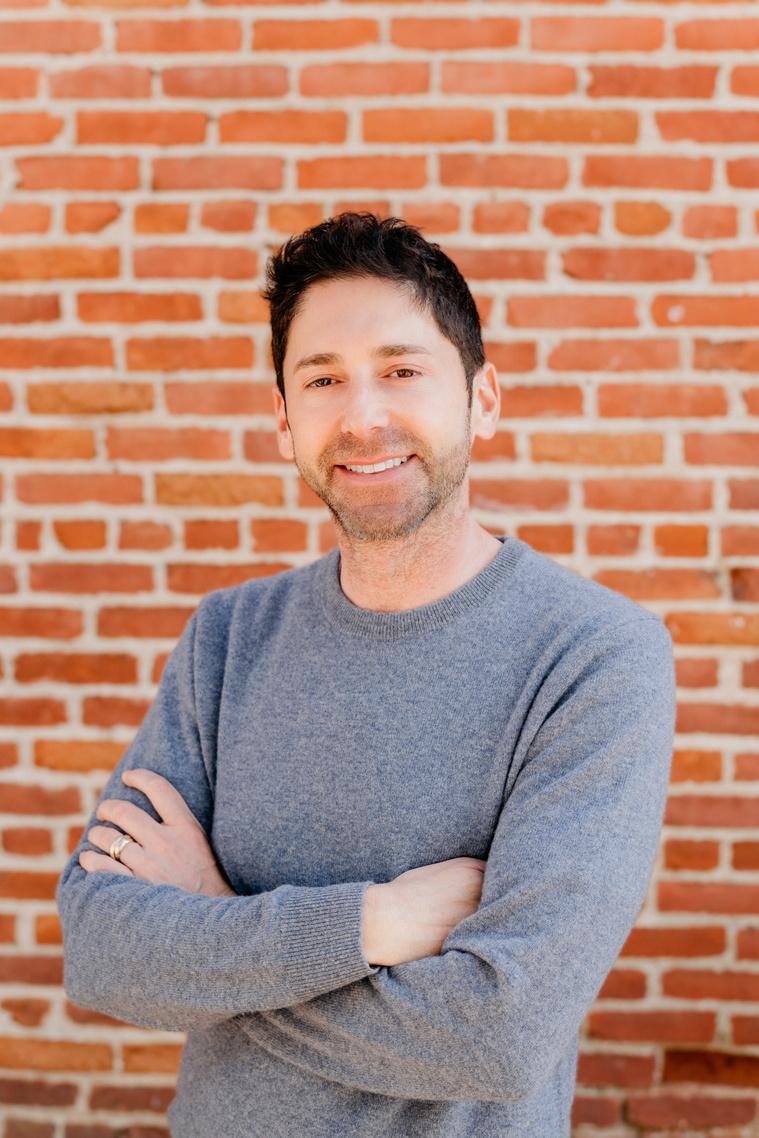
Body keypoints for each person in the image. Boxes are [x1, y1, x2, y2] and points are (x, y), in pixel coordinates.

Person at [56, 211, 677, 1137]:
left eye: (401, 370)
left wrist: (215, 922)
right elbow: (102, 949)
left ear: (483, 399)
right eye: (322, 380)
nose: (362, 417)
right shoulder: (228, 638)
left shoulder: (592, 654)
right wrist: (370, 924)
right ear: (283, 422)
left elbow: (500, 1036)